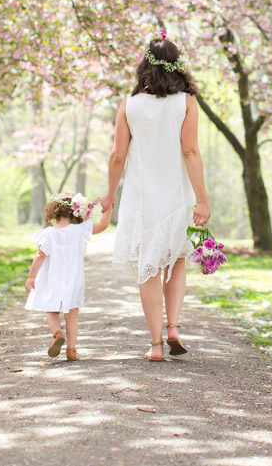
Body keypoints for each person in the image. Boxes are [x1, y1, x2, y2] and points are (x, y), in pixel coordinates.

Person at [101, 31, 210, 361]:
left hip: (142, 199)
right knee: (176, 261)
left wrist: (109, 195)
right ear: (177, 65)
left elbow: (117, 156)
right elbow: (190, 151)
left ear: (145, 67)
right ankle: (174, 326)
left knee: (148, 269)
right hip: (176, 196)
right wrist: (202, 200)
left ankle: (156, 344)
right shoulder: (186, 103)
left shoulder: (129, 105)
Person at [25, 192, 112, 361]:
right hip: (74, 279)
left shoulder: (48, 234)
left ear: (53, 211)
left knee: (50, 309)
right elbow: (103, 225)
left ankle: (57, 334)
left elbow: (40, 255)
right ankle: (71, 351)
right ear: (76, 212)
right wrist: (107, 208)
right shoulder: (80, 230)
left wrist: (31, 277)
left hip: (52, 279)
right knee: (72, 314)